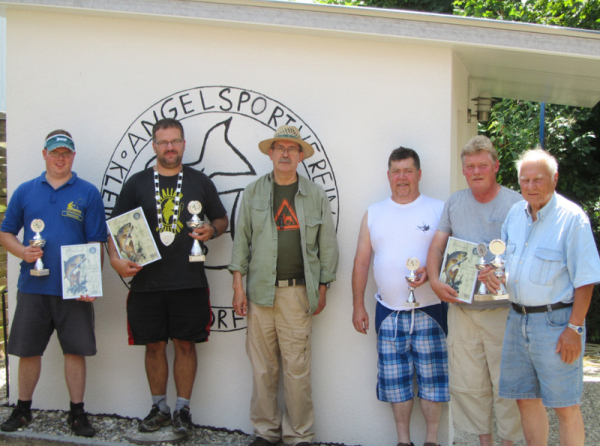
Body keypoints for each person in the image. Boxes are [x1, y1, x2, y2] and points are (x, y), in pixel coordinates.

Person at [108, 118, 228, 436]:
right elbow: (115, 227)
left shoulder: (200, 182)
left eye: (175, 141)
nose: (170, 147)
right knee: (153, 346)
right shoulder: (136, 184)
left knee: (186, 345)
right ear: (154, 146)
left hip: (189, 280)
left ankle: (183, 410)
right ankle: (159, 408)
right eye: (163, 142)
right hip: (146, 283)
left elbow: (221, 218)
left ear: (184, 144)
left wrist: (212, 230)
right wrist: (115, 260)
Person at [228, 125, 338, 446]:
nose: (286, 154)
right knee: (262, 368)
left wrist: (323, 287)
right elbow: (241, 241)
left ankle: (299, 435)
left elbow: (327, 245)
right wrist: (238, 285)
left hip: (297, 293)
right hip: (259, 293)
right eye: (280, 148)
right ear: (271, 153)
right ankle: (265, 432)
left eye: (292, 149)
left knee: (296, 368)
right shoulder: (253, 192)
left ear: (300, 156)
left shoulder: (315, 195)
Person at [482, 148, 600, 446]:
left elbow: (586, 280)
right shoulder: (515, 215)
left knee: (565, 405)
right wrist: (492, 274)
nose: (531, 186)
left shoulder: (572, 219)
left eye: (538, 179)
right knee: (525, 399)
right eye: (525, 180)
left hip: (556, 324)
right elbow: (502, 261)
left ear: (554, 178)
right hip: (517, 320)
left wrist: (574, 328)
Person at [0, 130, 107, 437]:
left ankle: (77, 413)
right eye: (55, 153)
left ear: (73, 156)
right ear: (44, 154)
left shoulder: (88, 193)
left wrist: (90, 283)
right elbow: (6, 232)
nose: (61, 158)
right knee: (28, 351)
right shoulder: (25, 191)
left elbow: (95, 241)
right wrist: (22, 251)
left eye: (66, 153)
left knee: (75, 351)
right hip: (33, 287)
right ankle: (22, 408)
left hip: (74, 289)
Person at [426, 135, 523, 446]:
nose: (476, 171)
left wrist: (502, 271)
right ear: (463, 170)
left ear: (496, 166)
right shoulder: (454, 202)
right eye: (470, 166)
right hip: (463, 310)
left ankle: (507, 443)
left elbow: (525, 252)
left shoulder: (516, 204)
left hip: (504, 313)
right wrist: (434, 280)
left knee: (507, 386)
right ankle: (485, 443)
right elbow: (437, 246)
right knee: (470, 385)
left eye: (482, 165)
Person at [352, 147, 448, 446]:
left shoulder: (438, 209)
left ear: (419, 174)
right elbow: (361, 262)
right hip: (388, 310)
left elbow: (452, 258)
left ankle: (431, 440)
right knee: (396, 383)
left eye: (408, 171)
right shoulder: (373, 213)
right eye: (396, 171)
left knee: (433, 380)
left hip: (431, 308)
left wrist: (432, 272)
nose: (402, 177)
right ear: (388, 175)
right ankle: (403, 441)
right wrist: (358, 306)